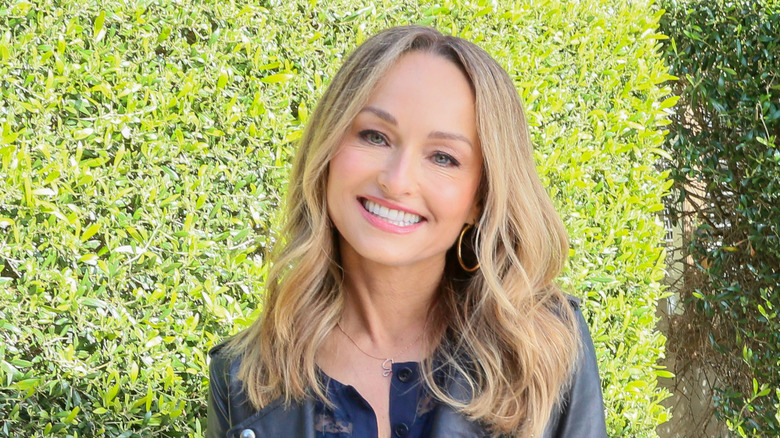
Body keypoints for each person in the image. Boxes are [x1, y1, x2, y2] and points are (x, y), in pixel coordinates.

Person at [207, 25, 607, 438]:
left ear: (480, 197)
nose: (397, 181)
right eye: (375, 136)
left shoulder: (545, 344)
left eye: (443, 157)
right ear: (326, 151)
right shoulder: (243, 378)